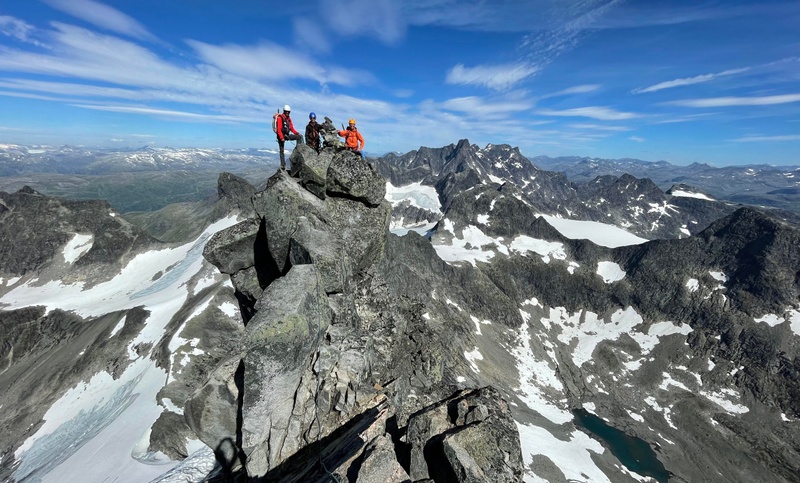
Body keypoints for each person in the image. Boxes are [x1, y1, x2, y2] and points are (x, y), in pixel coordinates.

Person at [276, 104, 303, 171]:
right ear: (284, 111)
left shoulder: (289, 119)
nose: (287, 113)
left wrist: (297, 133)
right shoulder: (280, 118)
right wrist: (281, 138)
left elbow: (291, 128)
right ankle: (283, 165)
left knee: (299, 137)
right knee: (281, 150)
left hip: (286, 135)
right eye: (286, 111)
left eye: (288, 112)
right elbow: (279, 129)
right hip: (281, 136)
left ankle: (299, 151)